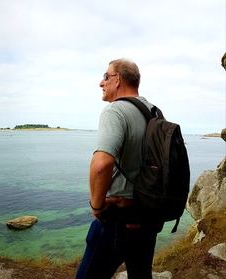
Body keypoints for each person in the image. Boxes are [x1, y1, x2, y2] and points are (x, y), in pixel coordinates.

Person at [75, 59, 165, 279]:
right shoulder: (155, 112)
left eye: (106, 76)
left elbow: (101, 164)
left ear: (118, 80)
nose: (101, 83)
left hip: (118, 219)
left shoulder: (115, 111)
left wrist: (96, 206)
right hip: (147, 215)